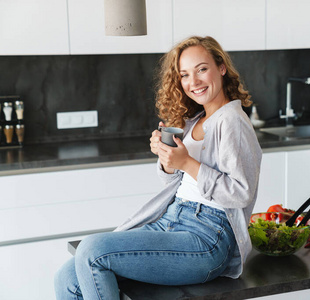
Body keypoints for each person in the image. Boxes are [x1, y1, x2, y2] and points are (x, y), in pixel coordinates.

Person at [54, 36, 262, 300]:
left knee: (93, 249)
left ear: (221, 67)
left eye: (202, 69)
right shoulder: (195, 120)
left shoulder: (232, 119)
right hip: (172, 220)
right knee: (67, 278)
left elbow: (241, 192)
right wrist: (168, 159)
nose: (194, 82)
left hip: (207, 237)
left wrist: (187, 162)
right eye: (184, 75)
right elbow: (175, 183)